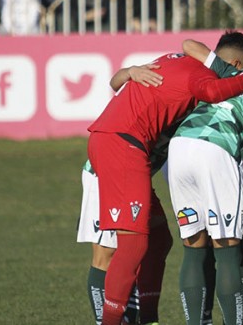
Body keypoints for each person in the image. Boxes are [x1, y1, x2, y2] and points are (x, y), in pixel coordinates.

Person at [86, 32, 243, 324]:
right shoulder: (199, 75)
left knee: (160, 238)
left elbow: (115, 84)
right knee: (134, 245)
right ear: (236, 65)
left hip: (114, 144)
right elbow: (214, 92)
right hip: (124, 148)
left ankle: (148, 319)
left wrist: (128, 72)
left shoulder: (173, 60)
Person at [76, 63, 164, 325]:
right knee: (107, 254)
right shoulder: (162, 86)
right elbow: (116, 84)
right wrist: (129, 71)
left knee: (151, 243)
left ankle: (136, 317)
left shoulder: (194, 98)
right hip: (103, 175)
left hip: (133, 176)